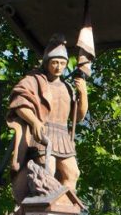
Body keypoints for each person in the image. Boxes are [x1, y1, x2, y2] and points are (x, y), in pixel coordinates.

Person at [6, 34, 88, 205]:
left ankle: (64, 208)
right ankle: (42, 209)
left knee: (72, 173)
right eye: (55, 62)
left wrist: (83, 94)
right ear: (47, 63)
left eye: (63, 63)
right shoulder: (34, 81)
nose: (59, 67)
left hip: (63, 136)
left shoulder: (67, 87)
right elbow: (19, 101)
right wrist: (34, 121)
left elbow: (78, 117)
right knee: (46, 172)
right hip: (44, 134)